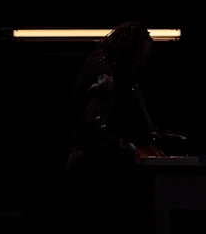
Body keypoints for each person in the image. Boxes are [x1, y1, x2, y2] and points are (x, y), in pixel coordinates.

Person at [64, 22, 164, 233]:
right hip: (92, 173)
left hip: (87, 170)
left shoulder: (98, 71)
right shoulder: (105, 79)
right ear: (130, 52)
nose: (140, 65)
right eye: (140, 57)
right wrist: (133, 149)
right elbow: (97, 132)